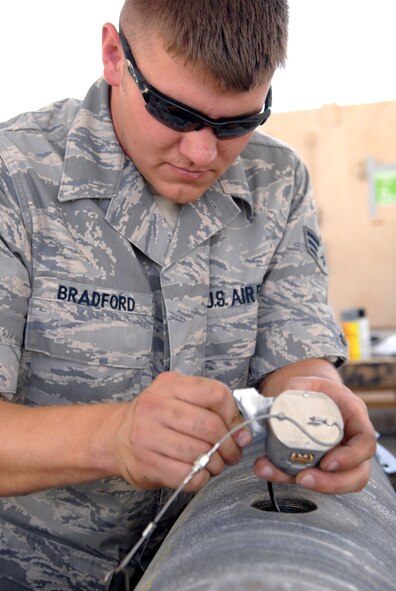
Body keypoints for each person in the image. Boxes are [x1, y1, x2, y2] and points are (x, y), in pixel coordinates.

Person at [0, 1, 376, 589]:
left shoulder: (275, 181)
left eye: (236, 124)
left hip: (212, 559)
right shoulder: (15, 178)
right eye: (174, 112)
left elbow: (295, 361)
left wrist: (321, 404)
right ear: (113, 56)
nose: (204, 155)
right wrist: (113, 438)